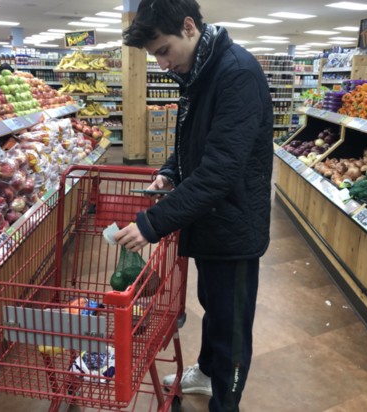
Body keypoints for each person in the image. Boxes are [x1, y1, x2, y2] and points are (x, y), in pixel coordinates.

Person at [115, 0, 274, 410]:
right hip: (210, 221)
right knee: (214, 308)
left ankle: (226, 402)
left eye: (164, 51)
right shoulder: (200, 70)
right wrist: (170, 170)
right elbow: (195, 144)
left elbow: (220, 170)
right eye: (155, 57)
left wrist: (153, 223)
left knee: (232, 326)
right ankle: (205, 372)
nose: (163, 63)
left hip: (234, 224)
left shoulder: (235, 73)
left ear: (189, 27)